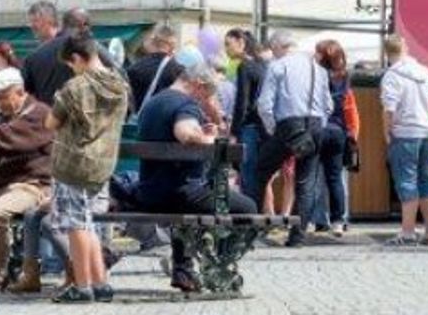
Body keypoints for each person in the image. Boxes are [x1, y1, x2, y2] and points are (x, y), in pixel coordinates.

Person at [136, 63, 259, 292]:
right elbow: (185, 133)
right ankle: (218, 265)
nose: (206, 100)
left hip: (150, 190)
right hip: (179, 192)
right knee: (248, 207)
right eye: (207, 94)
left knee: (190, 210)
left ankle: (183, 270)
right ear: (198, 86)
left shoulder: (154, 102)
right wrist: (209, 139)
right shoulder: (185, 104)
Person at [46, 32, 129, 303]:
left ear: (78, 58)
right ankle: (100, 282)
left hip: (74, 163)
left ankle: (82, 286)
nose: (71, 68)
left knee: (76, 225)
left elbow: (51, 123)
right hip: (103, 164)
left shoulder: (74, 88)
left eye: (71, 64)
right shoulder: (119, 85)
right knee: (89, 223)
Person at [0, 67, 55, 295]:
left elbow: (12, 135)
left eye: (4, 98)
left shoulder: (39, 113)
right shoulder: (3, 117)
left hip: (35, 185)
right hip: (1, 184)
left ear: (20, 91)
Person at [251, 30, 331, 248]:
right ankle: (298, 236)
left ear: (278, 46)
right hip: (314, 124)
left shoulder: (278, 65)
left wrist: (272, 129)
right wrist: (318, 126)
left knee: (260, 172)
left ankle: (250, 229)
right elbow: (329, 106)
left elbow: (264, 105)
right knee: (305, 182)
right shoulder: (318, 69)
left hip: (288, 125)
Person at [380, 34, 428, 246]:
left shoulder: (392, 75)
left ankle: (407, 232)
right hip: (427, 132)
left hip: (404, 133)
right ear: (405, 49)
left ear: (388, 53)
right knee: (427, 181)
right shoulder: (424, 71)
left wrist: (386, 131)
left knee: (407, 181)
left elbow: (389, 108)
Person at [22, 6, 119, 106]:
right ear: (84, 26)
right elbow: (118, 74)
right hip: (88, 115)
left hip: (50, 116)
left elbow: (26, 95)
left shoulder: (33, 58)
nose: (31, 26)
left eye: (34, 21)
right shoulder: (92, 47)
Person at [313, 39, 360, 235]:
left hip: (318, 129)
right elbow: (351, 111)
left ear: (323, 56)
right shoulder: (345, 79)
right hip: (339, 132)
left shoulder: (316, 77)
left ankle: (317, 219)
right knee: (336, 179)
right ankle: (339, 220)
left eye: (317, 53)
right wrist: (353, 135)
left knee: (313, 177)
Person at [227, 28, 267, 202]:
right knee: (259, 173)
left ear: (241, 43)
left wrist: (234, 131)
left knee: (247, 171)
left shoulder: (245, 66)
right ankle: (256, 211)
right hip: (264, 126)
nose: (226, 49)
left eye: (228, 44)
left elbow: (242, 102)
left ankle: (249, 215)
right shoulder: (263, 65)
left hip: (249, 126)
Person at [127, 23, 184, 115]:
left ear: (151, 42)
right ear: (173, 46)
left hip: (141, 124)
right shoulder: (180, 71)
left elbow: (128, 104)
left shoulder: (133, 69)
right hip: (168, 125)